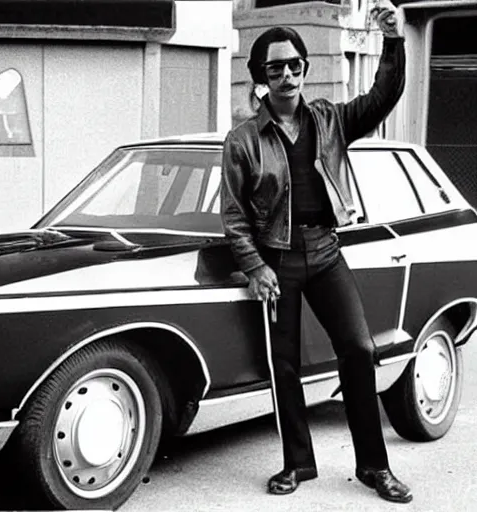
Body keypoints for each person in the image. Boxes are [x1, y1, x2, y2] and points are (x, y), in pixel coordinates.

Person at [220, 0, 412, 505]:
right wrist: (255, 267)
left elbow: (382, 96)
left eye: (295, 65)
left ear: (306, 68)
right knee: (283, 365)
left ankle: (374, 467)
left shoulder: (330, 120)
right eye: (275, 67)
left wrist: (394, 40)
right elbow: (234, 215)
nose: (287, 75)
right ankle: (296, 464)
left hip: (326, 251)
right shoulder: (242, 140)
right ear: (260, 76)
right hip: (276, 262)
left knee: (360, 349)